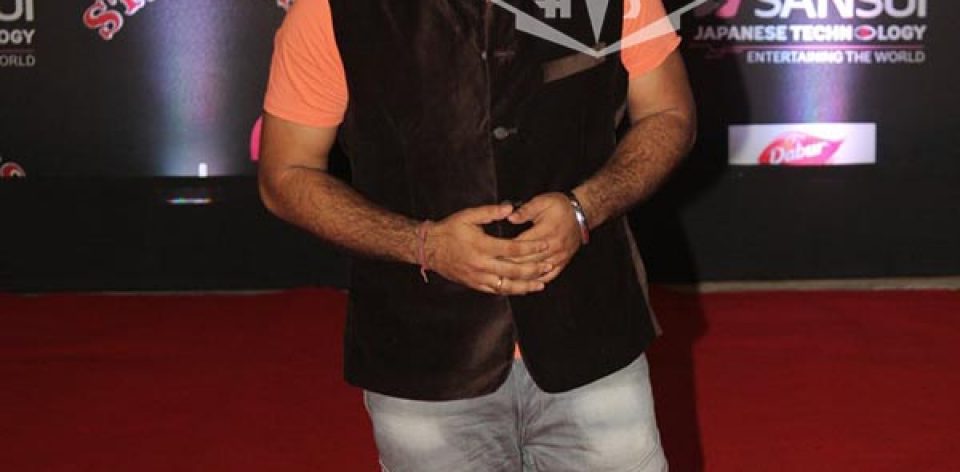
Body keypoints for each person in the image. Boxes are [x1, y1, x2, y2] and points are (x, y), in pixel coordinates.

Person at [259, 0, 695, 470]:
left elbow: (668, 112)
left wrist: (586, 207)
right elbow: (286, 174)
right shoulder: (329, 9)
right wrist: (423, 245)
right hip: (424, 357)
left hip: (593, 334)